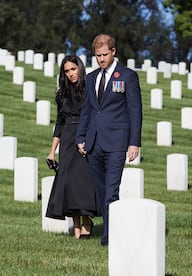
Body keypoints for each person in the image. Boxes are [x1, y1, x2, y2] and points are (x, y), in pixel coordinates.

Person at [76, 34, 142, 246]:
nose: (101, 59)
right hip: (94, 142)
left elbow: (135, 111)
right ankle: (113, 228)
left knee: (111, 190)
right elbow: (86, 109)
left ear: (114, 52)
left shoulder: (128, 76)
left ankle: (109, 237)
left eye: (105, 54)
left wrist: (134, 143)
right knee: (101, 190)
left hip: (116, 143)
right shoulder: (91, 77)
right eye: (97, 55)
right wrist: (81, 136)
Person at [46, 55, 100, 239]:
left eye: (73, 69)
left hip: (84, 136)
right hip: (68, 139)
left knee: (82, 183)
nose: (70, 74)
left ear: (80, 68)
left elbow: (95, 117)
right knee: (68, 183)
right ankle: (77, 228)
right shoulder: (62, 94)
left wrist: (88, 139)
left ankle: (87, 221)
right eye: (67, 71)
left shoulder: (89, 90)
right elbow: (59, 123)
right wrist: (52, 151)